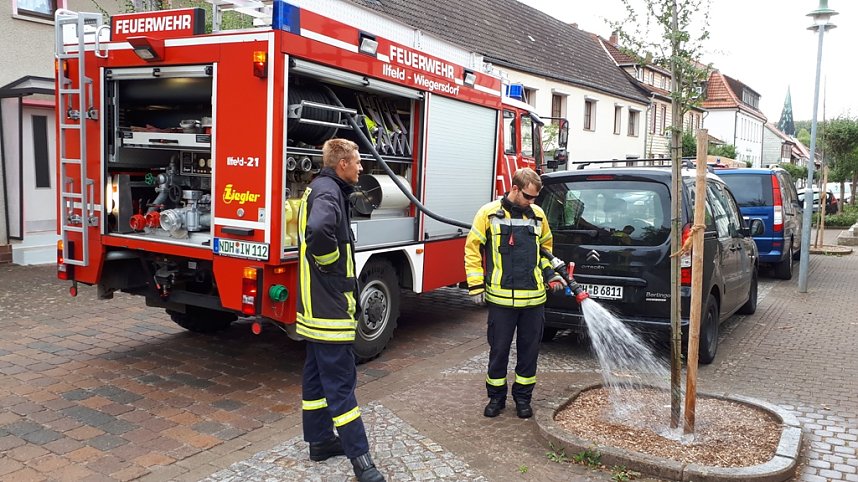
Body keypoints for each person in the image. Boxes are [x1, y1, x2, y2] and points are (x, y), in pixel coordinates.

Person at [296, 138, 385, 482]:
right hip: (329, 308)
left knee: (316, 377)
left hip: (316, 306)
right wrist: (331, 266)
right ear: (342, 163)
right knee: (341, 383)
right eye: (358, 162)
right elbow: (319, 231)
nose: (362, 168)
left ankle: (320, 442)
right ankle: (362, 462)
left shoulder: (321, 188)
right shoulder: (328, 192)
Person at [464, 167, 566, 419]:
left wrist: (550, 275)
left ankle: (523, 399)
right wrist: (475, 285)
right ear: (515, 189)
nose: (532, 202)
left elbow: (545, 252)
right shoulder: (488, 213)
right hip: (501, 301)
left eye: (535, 198)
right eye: (528, 197)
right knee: (498, 351)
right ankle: (496, 398)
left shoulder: (538, 216)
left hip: (534, 301)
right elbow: (472, 250)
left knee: (529, 353)